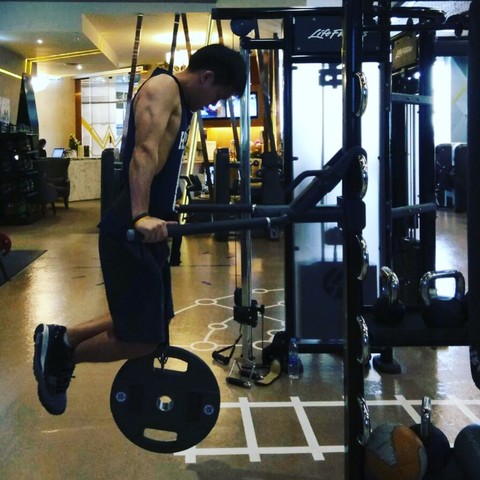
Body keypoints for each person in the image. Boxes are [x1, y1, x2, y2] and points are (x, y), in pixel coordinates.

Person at [32, 44, 247, 415]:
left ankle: (61, 337)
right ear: (207, 76)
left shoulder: (179, 100)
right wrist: (140, 216)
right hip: (132, 228)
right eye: (218, 95)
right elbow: (144, 152)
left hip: (150, 228)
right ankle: (62, 357)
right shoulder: (163, 88)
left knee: (155, 319)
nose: (213, 104)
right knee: (143, 339)